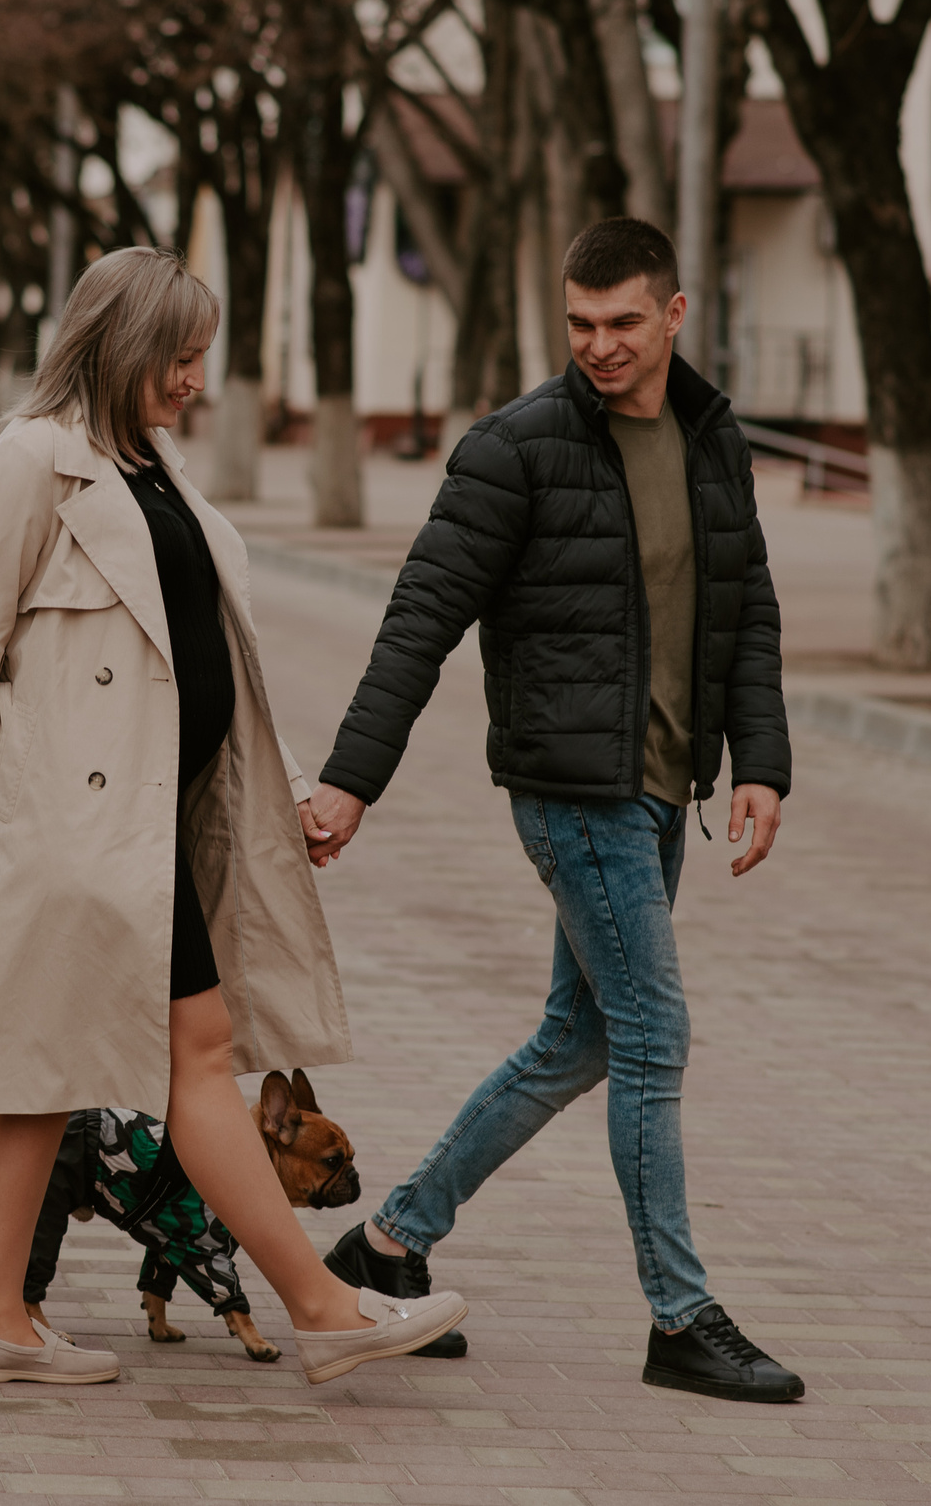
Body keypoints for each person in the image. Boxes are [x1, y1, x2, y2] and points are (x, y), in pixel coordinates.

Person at [0, 246, 466, 1389]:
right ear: (119, 347)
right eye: (178, 356)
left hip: (155, 822)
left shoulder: (152, 467)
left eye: (201, 357)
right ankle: (319, 1305)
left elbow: (210, 659)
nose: (193, 380)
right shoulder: (31, 463)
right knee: (185, 1054)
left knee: (50, 1069)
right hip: (77, 831)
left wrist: (285, 787)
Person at [305, 217, 806, 1403]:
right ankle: (679, 1314)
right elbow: (420, 615)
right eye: (579, 323)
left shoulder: (711, 437)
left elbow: (746, 602)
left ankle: (386, 1242)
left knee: (579, 1038)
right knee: (651, 1034)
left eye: (623, 321)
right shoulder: (515, 449)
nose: (599, 344)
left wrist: (761, 759)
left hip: (660, 787)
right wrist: (349, 778)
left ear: (672, 313)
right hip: (574, 793)